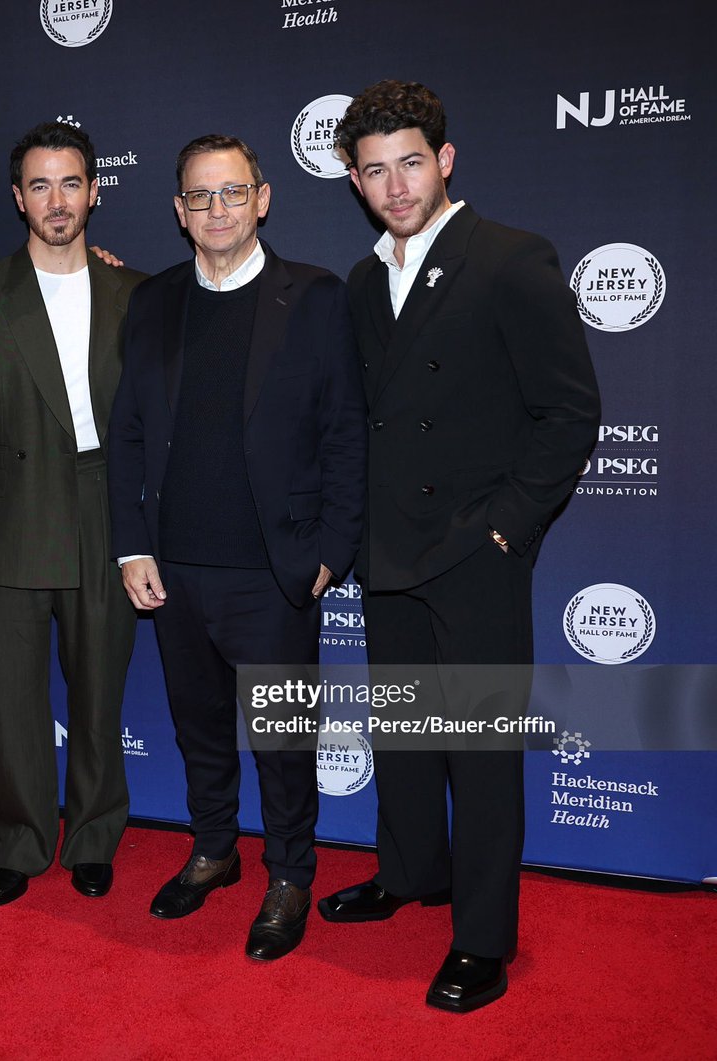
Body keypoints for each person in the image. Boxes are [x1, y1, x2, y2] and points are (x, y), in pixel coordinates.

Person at [316, 80, 601, 1011]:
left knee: (479, 758)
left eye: (409, 162)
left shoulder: (512, 259)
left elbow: (568, 414)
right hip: (390, 555)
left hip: (475, 554)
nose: (394, 186)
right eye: (373, 170)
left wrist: (505, 528)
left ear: (444, 160)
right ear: (354, 182)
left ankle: (481, 936)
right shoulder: (363, 282)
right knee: (402, 737)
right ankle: (410, 874)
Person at [107, 134, 367, 961]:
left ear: (262, 199)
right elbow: (127, 437)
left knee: (284, 738)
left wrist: (333, 546)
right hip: (175, 568)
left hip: (274, 570)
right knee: (200, 728)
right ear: (180, 211)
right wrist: (130, 546)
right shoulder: (152, 303)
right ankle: (214, 849)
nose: (216, 210)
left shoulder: (317, 296)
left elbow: (346, 434)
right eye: (199, 197)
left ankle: (291, 871)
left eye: (231, 193)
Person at [0, 121, 146, 906]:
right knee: (13, 696)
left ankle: (93, 836)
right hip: (9, 514)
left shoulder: (135, 292)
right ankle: (20, 844)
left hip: (104, 509)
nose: (57, 201)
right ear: (19, 197)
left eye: (71, 183)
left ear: (94, 190)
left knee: (98, 694)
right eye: (40, 185)